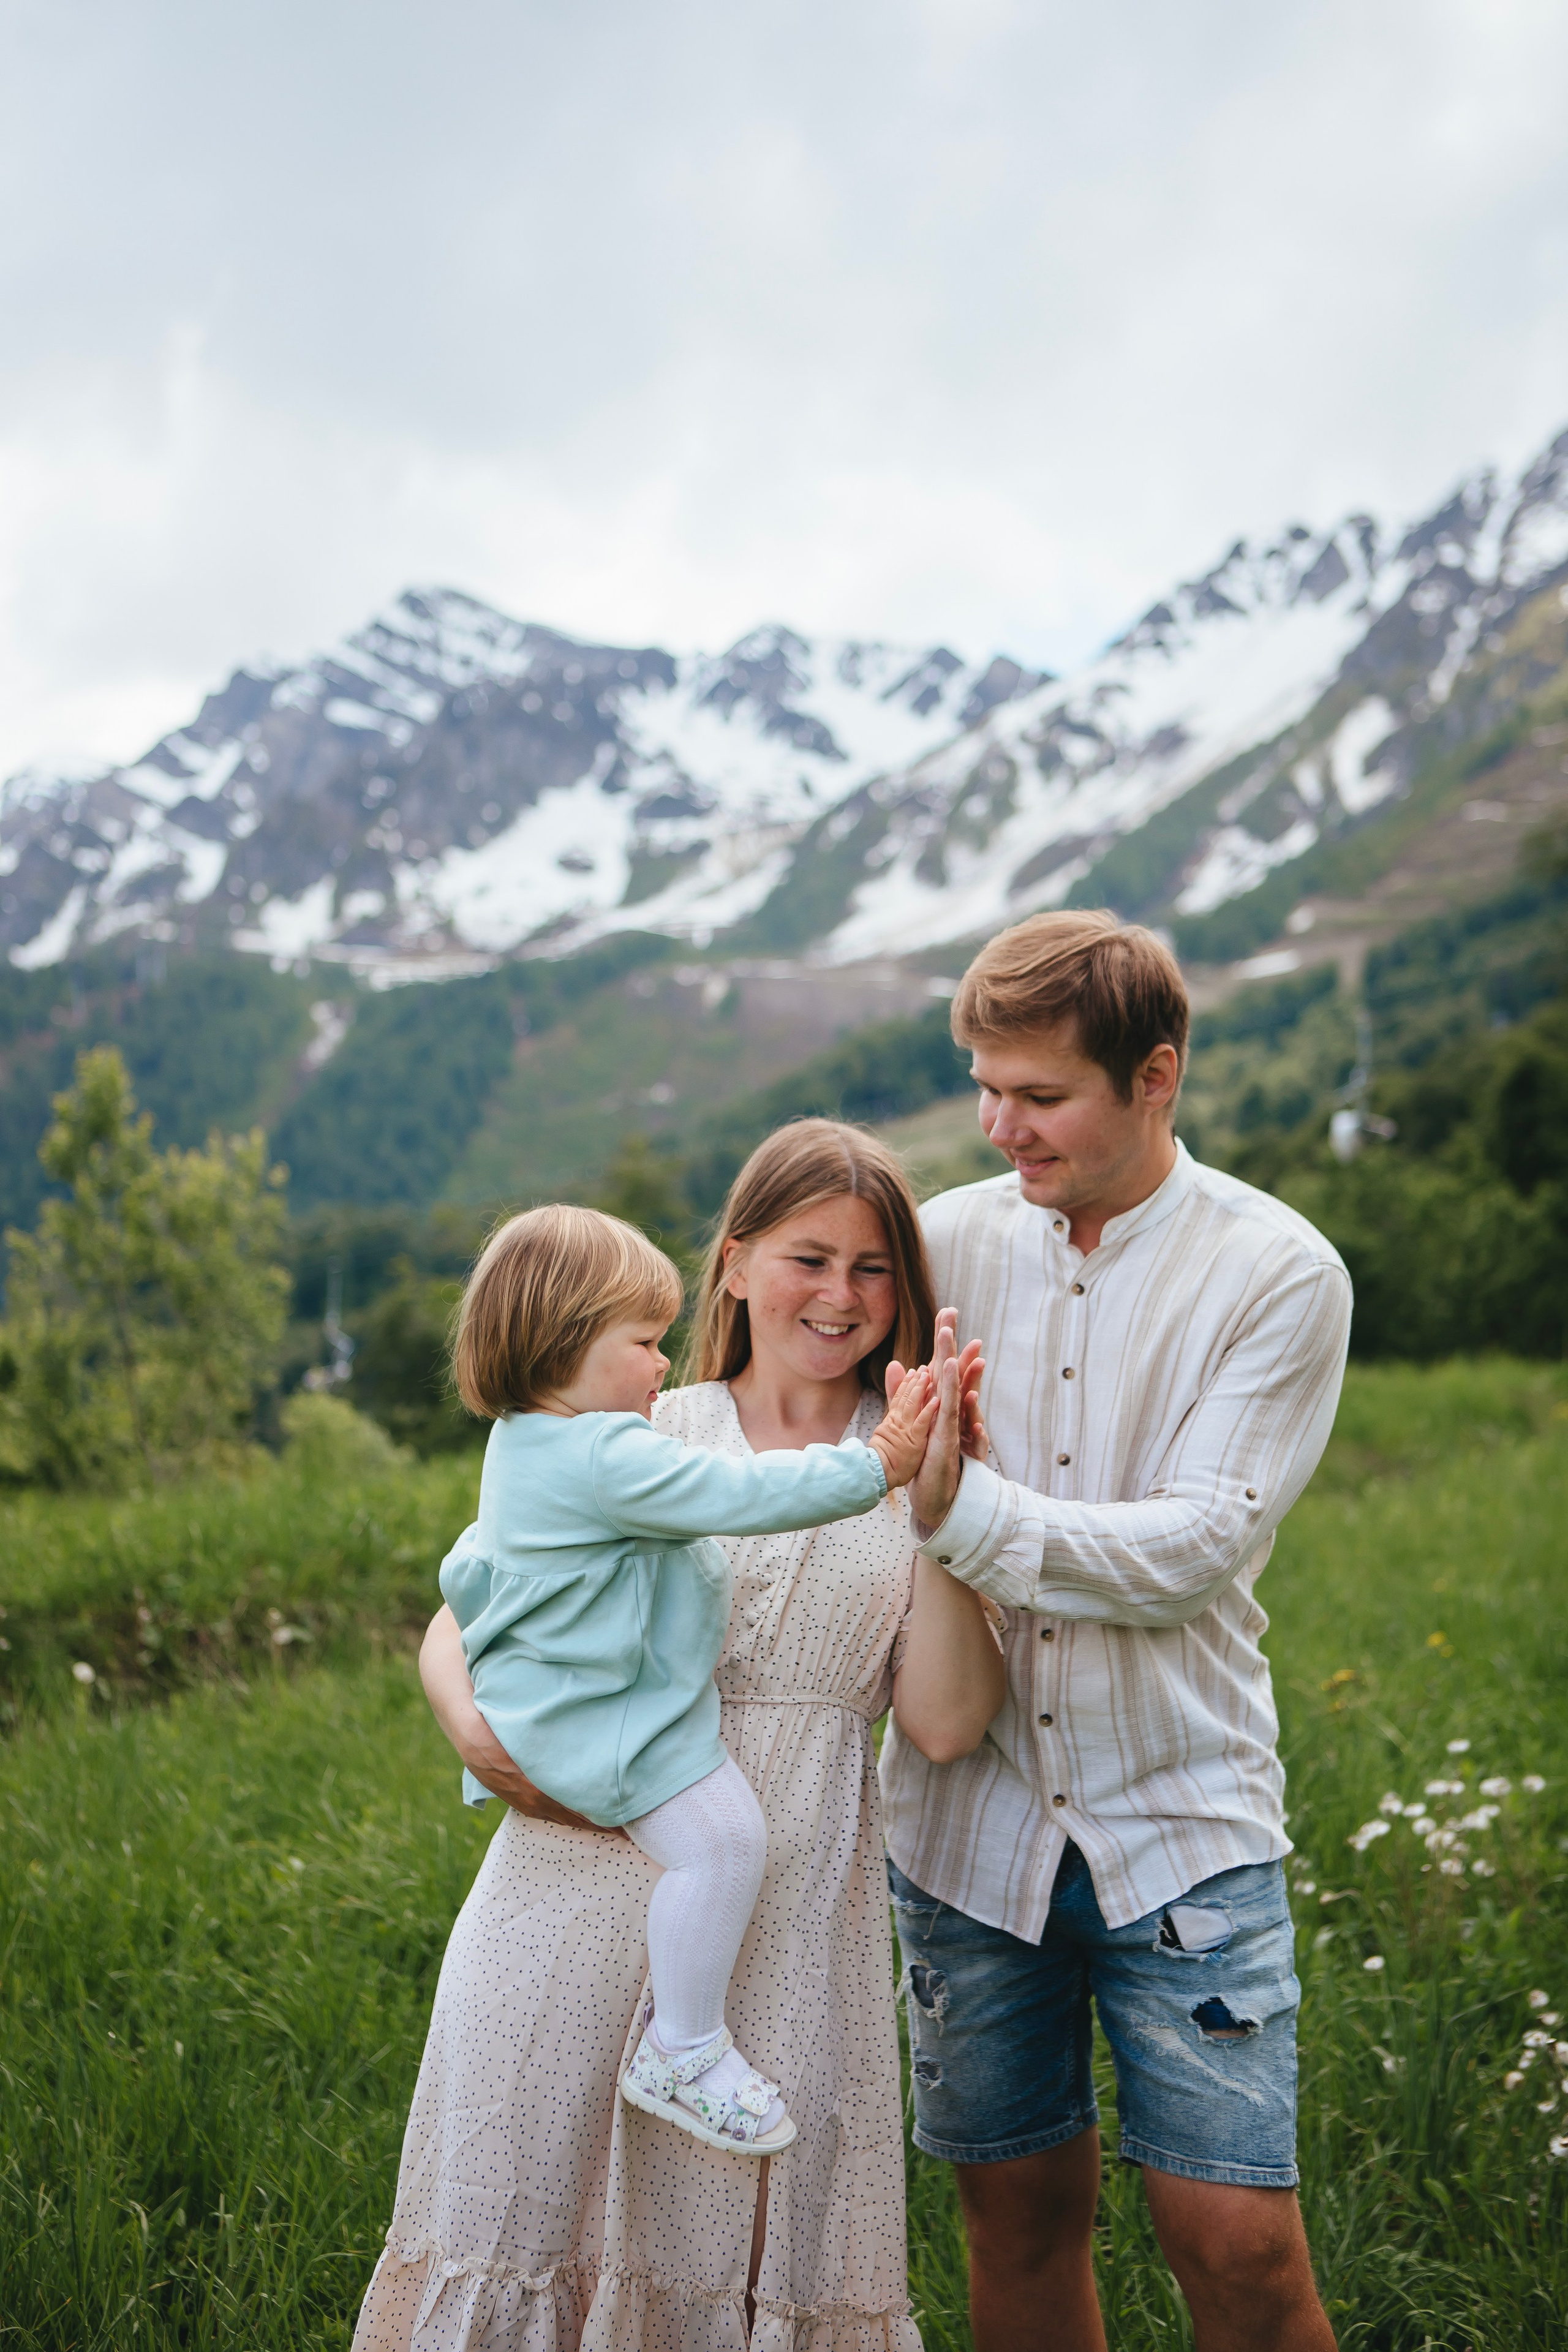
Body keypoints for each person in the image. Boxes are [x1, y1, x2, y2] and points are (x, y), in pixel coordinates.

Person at [353, 1121, 1003, 2352]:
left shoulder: (914, 1454)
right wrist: (469, 1730)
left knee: (727, 2270)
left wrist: (945, 1509)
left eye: (872, 1269)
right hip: (569, 1890)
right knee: (526, 2242)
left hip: (786, 1928)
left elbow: (944, 1722)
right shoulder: (639, 1419)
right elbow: (473, 1604)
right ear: (736, 1263)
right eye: (809, 1258)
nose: (839, 1295)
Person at [878, 910, 1352, 2352]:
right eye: (983, 1087)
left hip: (1180, 1819)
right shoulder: (939, 1244)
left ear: (1155, 1077)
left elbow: (1191, 1550)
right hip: (963, 1832)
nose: (997, 1126)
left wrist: (957, 1513)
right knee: (1014, 2220)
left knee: (1238, 2245)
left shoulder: (1277, 1273)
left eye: (1039, 1095)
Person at [438, 1200, 940, 2156]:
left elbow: (468, 1572)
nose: (661, 1363)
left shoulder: (524, 1444)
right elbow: (741, 1492)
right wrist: (877, 1466)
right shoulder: (606, 1452)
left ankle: (681, 2039)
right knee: (722, 1843)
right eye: (641, 1341)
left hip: (563, 1715)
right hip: (611, 1729)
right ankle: (684, 2045)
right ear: (565, 1344)